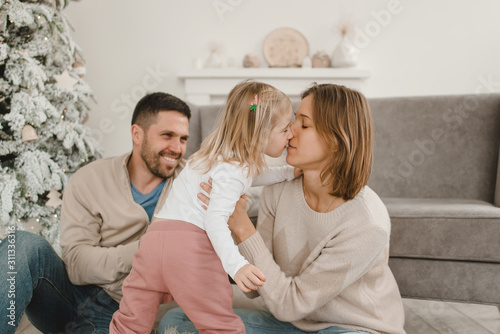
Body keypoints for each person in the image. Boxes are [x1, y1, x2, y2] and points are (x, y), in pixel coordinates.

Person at [160, 84, 407, 334]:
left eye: (304, 124)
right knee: (178, 322)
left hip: (354, 328)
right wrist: (228, 221)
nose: (289, 131)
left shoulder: (367, 222)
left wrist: (242, 225)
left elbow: (291, 304)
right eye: (292, 121)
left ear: (336, 139)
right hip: (292, 324)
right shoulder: (277, 191)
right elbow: (256, 289)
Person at [110, 81, 302, 334]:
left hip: (152, 243)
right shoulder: (234, 172)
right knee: (219, 324)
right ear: (261, 133)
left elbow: (252, 176)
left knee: (130, 323)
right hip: (190, 249)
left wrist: (288, 172)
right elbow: (215, 219)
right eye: (285, 128)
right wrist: (237, 265)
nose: (290, 134)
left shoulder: (217, 156)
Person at [0, 92, 191, 334]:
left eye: (183, 139)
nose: (176, 148)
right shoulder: (91, 179)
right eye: (167, 136)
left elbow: (242, 195)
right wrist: (146, 249)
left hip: (126, 312)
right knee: (22, 244)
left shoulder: (194, 183)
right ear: (137, 134)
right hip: (70, 298)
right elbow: (78, 265)